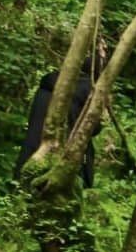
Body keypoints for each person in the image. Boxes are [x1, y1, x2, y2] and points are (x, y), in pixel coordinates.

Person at [14, 53, 100, 187]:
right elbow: (92, 127)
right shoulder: (87, 90)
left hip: (34, 145)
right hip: (61, 149)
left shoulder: (50, 81)